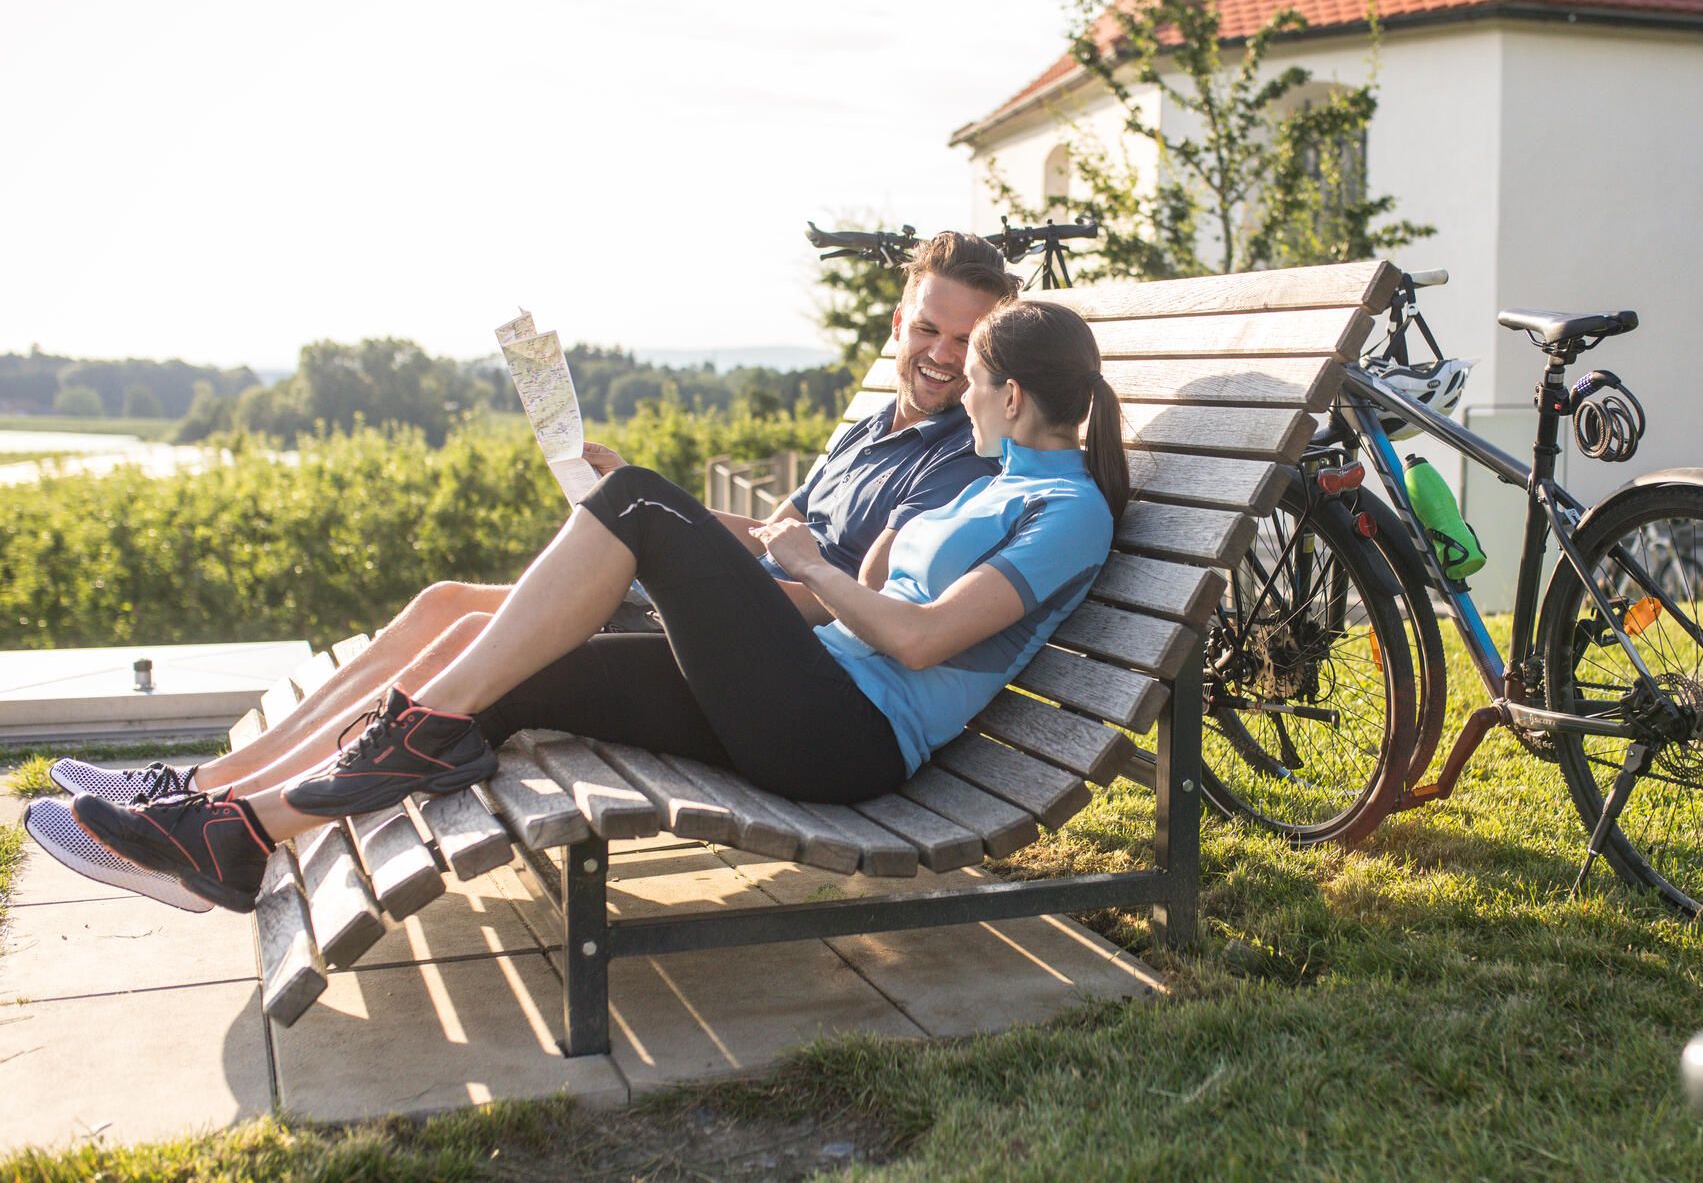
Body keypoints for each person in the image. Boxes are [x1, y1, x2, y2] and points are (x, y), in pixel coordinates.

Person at [29, 234, 1018, 905]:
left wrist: (670, 541)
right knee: (446, 606)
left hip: (775, 668)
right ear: (897, 323)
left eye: (963, 341)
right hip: (724, 623)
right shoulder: (873, 429)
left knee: (487, 631)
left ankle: (227, 821)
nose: (939, 355)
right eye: (926, 329)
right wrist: (658, 509)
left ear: (988, 356)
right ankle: (206, 788)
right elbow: (774, 539)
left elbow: (840, 604)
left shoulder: (958, 459)